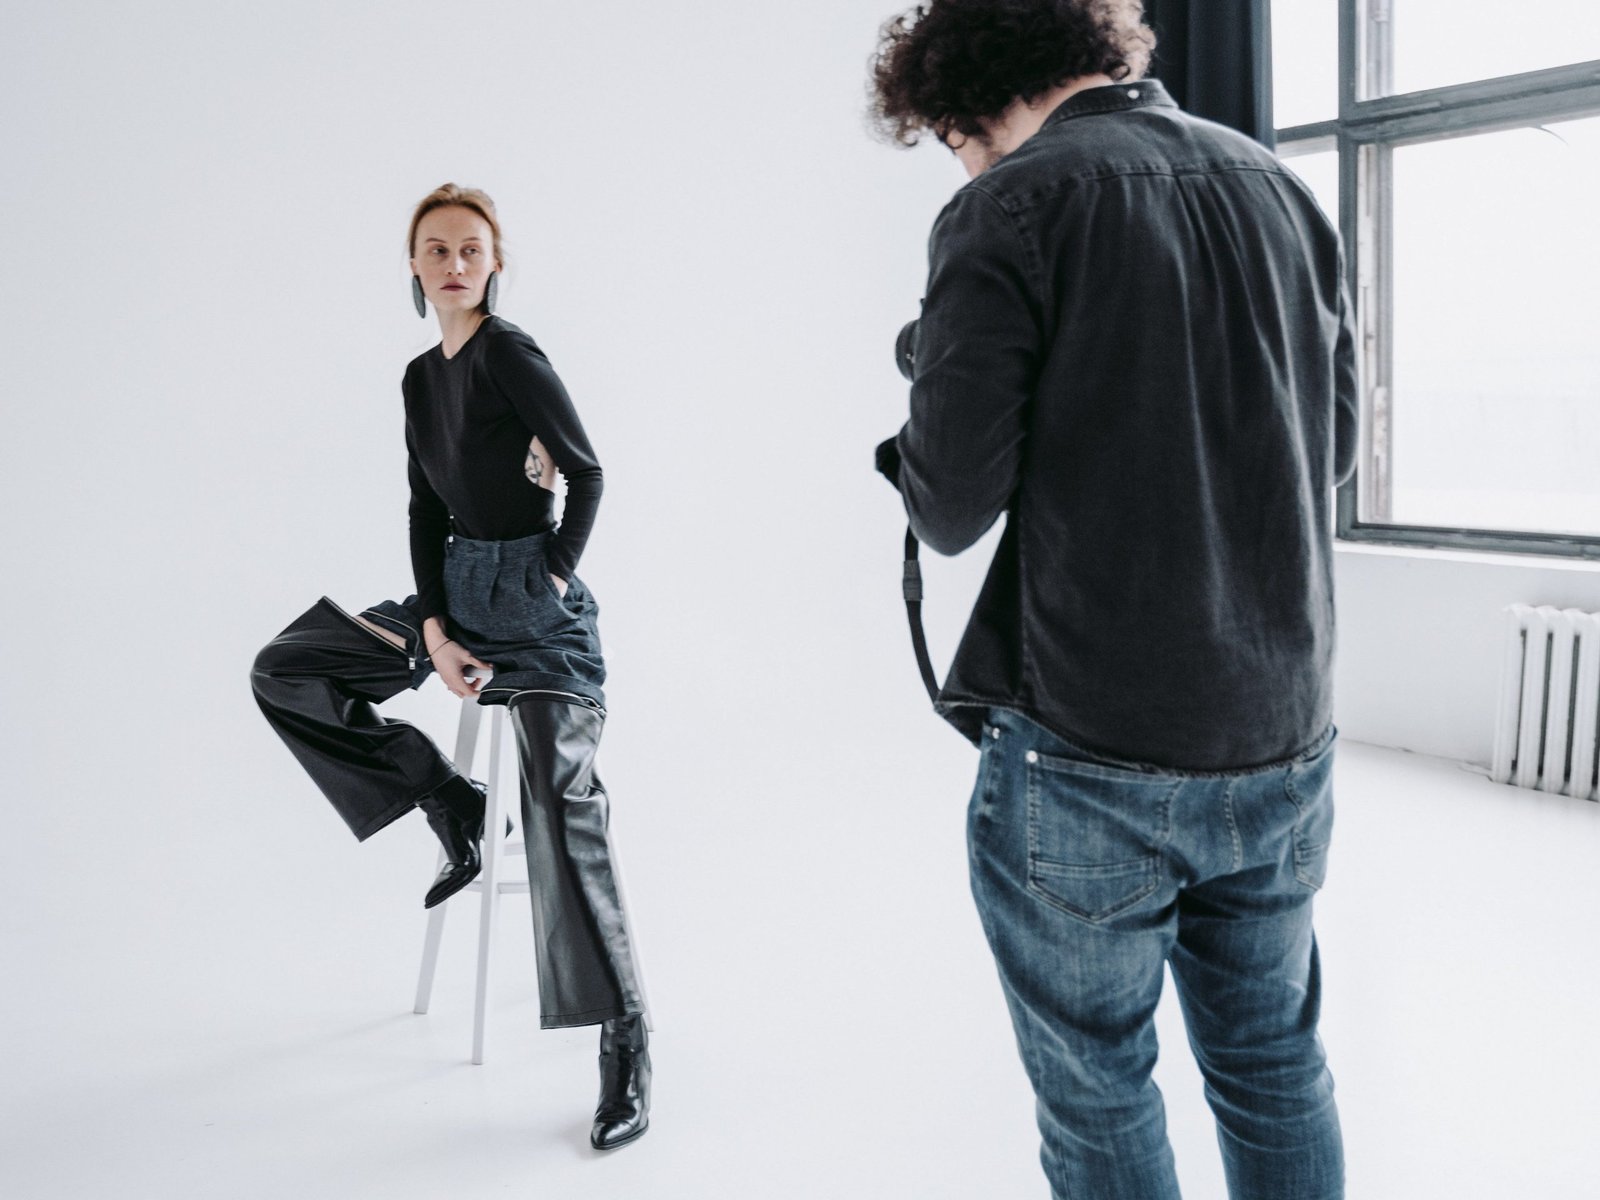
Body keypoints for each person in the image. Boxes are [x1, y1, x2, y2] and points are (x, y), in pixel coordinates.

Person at [869, 3, 1356, 1197]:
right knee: (1273, 1063)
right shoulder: (1280, 189)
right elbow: (1332, 450)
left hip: (1094, 749)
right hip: (1280, 735)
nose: (965, 159)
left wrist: (929, 359)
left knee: (1096, 1089)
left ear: (968, 95)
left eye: (951, 137)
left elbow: (949, 506)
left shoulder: (1007, 205)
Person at [249, 183, 651, 1151]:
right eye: (436, 249)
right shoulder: (418, 379)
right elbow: (425, 514)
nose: (454, 263)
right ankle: (447, 798)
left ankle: (624, 1038)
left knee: (560, 799)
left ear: (494, 261)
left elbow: (587, 471)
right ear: (416, 266)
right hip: (453, 601)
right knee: (287, 669)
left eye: (471, 248)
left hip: (536, 616)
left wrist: (550, 575)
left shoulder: (512, 355)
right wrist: (430, 629)